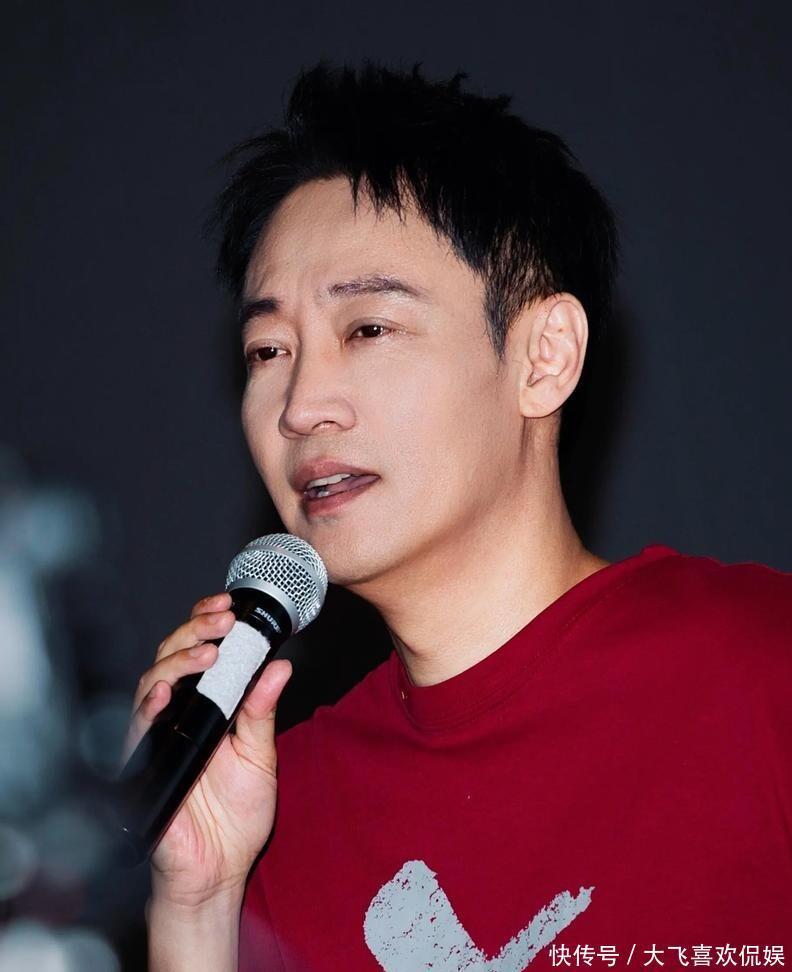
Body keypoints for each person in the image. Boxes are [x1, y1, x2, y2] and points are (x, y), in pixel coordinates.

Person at [125, 63, 792, 971]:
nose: (300, 407)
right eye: (267, 350)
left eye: (367, 329)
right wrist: (196, 905)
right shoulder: (271, 807)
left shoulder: (760, 671)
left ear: (543, 358)